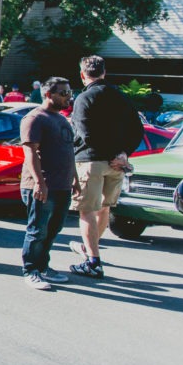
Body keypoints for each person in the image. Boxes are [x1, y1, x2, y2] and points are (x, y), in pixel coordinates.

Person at [68, 55, 144, 278]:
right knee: (104, 208)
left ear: (83, 75)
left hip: (91, 160)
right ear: (104, 72)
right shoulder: (121, 96)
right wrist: (123, 154)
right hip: (116, 164)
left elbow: (85, 133)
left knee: (87, 210)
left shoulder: (84, 98)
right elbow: (137, 129)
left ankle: (93, 261)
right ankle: (91, 249)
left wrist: (113, 154)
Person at [19, 77, 79, 290]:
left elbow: (69, 152)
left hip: (62, 185)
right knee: (37, 230)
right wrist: (39, 183)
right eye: (63, 93)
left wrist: (75, 180)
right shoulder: (35, 118)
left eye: (69, 92)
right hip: (41, 186)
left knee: (53, 229)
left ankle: (43, 266)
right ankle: (31, 270)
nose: (68, 97)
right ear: (47, 94)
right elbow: (30, 152)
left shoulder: (62, 120)